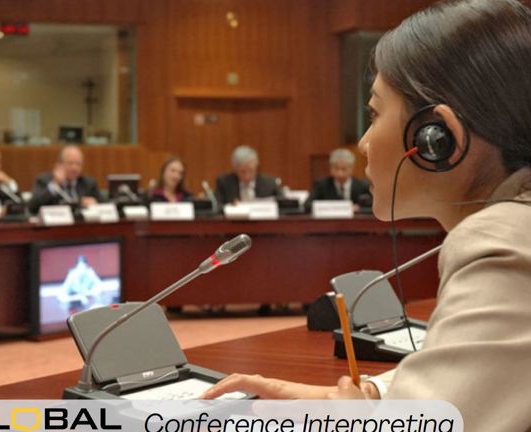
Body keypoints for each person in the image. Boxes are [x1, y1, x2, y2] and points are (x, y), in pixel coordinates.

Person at [202, 1, 531, 430]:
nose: (362, 143)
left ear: (437, 139)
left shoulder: (500, 240)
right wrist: (372, 396)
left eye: (374, 114)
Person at [29, 145, 104, 214]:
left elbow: (106, 207)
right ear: (59, 165)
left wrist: (95, 204)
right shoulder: (44, 180)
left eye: (78, 164)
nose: (74, 168)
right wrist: (55, 184)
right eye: (70, 163)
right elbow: (33, 207)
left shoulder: (88, 183)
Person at [304, 148, 371, 212]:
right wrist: (329, 208)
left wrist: (359, 208)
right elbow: (307, 205)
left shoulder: (362, 186)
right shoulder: (321, 185)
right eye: (336, 168)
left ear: (352, 169)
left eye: (344, 169)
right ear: (330, 168)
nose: (340, 173)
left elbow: (372, 206)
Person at [215, 145, 282, 205]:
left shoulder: (270, 184)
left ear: (256, 166)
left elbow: (283, 207)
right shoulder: (224, 183)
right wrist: (230, 207)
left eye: (251, 171)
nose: (247, 176)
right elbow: (217, 207)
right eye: (242, 172)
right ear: (235, 169)